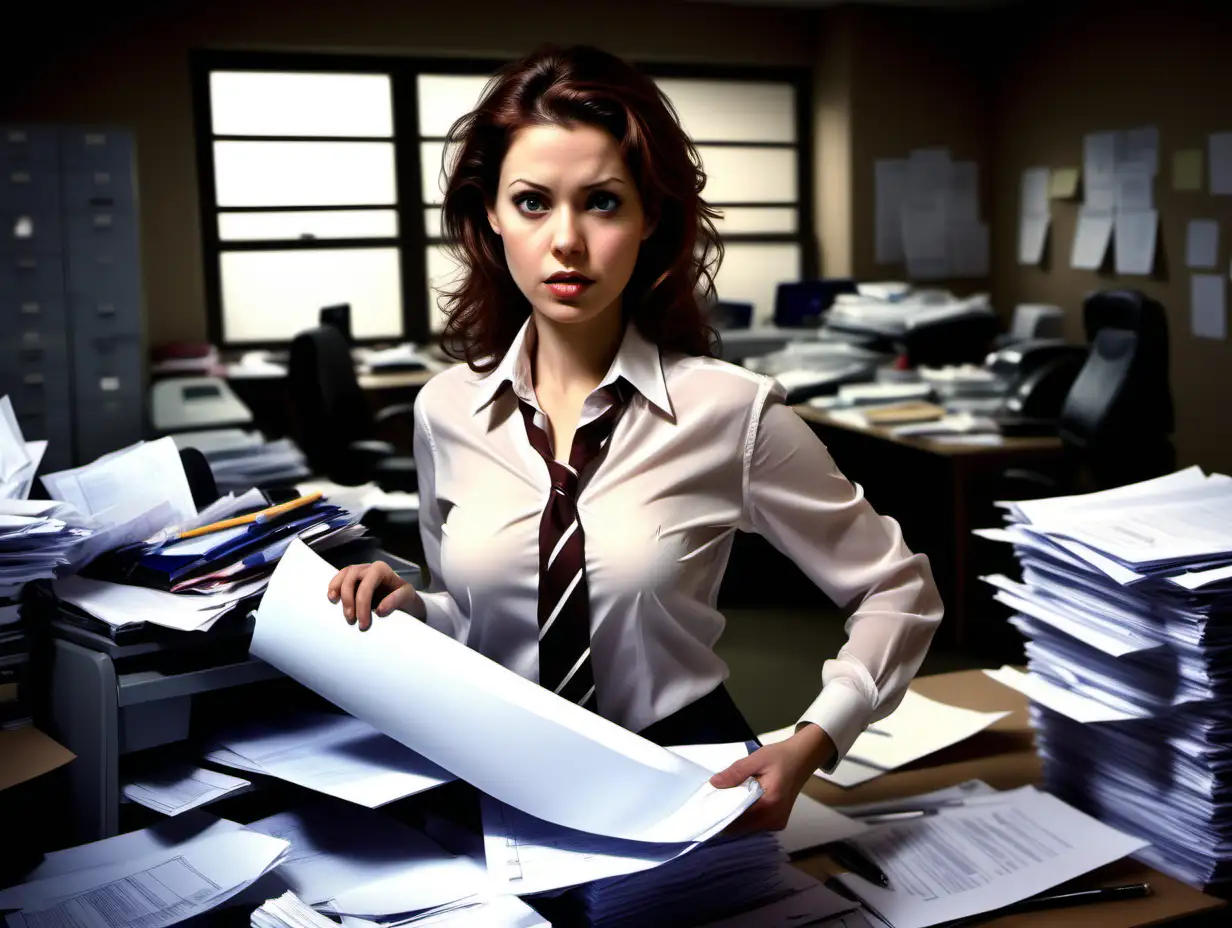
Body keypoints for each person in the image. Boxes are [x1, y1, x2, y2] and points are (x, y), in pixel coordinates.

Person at [327, 44, 942, 832]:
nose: (567, 241)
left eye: (604, 203)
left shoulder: (731, 411)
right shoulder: (445, 410)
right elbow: (478, 615)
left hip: (682, 768)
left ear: (651, 217)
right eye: (532, 202)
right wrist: (416, 610)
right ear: (490, 212)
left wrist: (818, 737)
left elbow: (896, 589)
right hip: (496, 767)